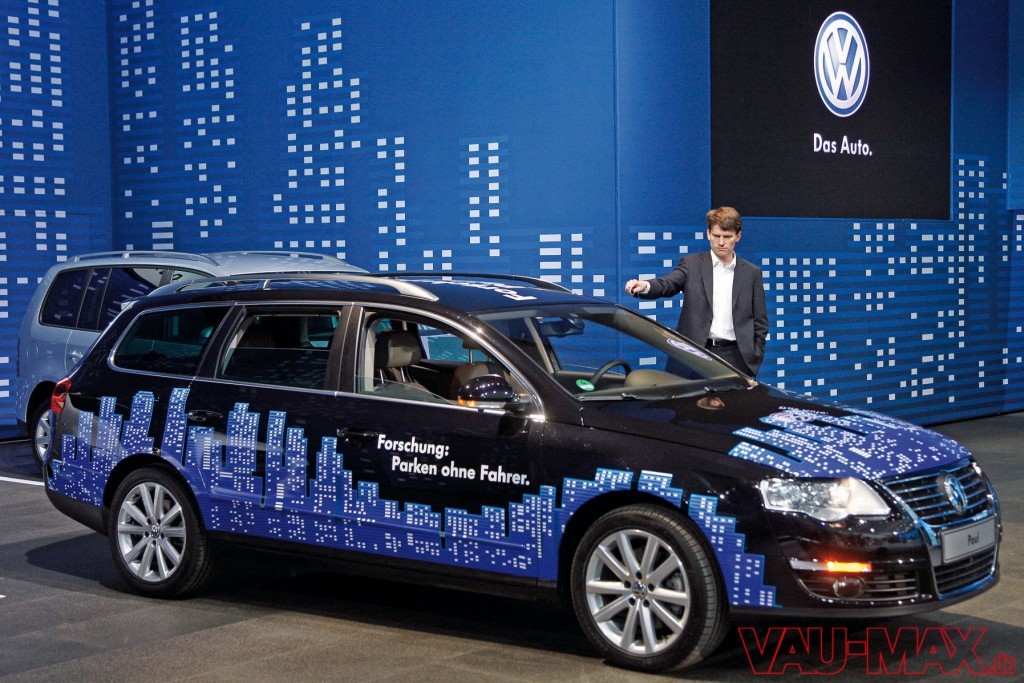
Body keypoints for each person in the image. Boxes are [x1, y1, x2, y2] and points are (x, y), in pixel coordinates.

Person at [625, 207, 768, 376]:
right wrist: (645, 286)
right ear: (708, 234)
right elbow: (667, 283)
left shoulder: (752, 273)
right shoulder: (691, 264)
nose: (721, 242)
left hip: (736, 359)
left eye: (727, 236)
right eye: (716, 236)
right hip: (693, 354)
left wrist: (754, 356)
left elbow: (760, 322)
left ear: (738, 236)